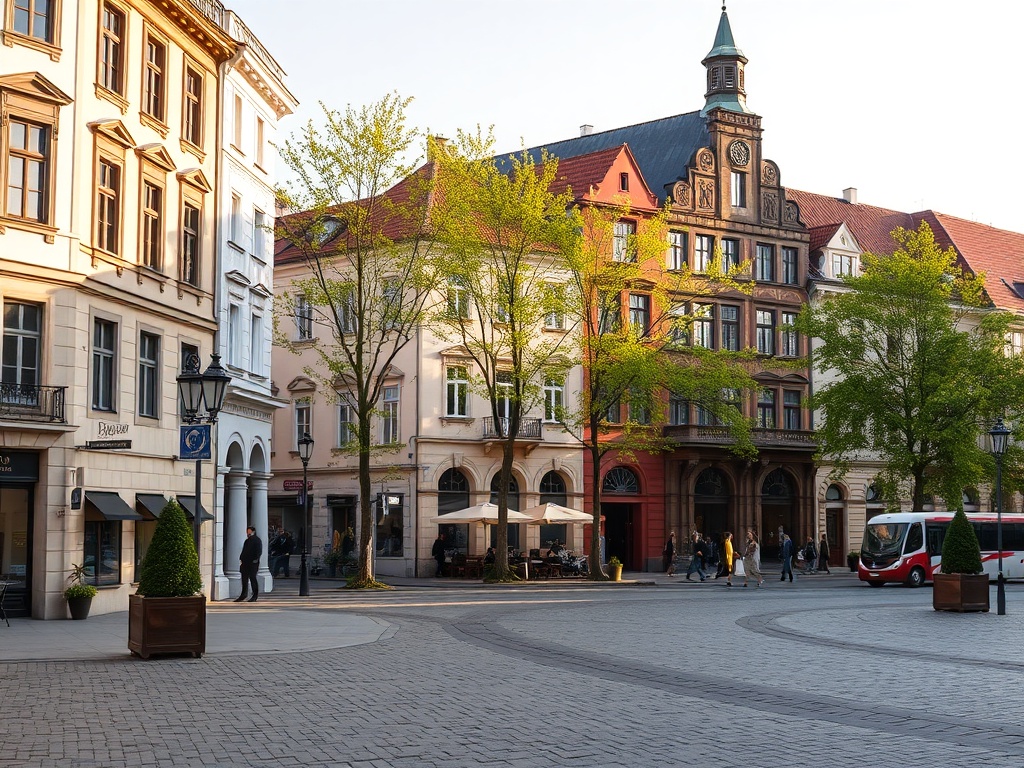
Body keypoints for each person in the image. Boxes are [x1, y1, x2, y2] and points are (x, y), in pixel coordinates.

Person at [235, 525, 262, 602]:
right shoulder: (247, 541)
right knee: (244, 579)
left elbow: (259, 551)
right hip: (245, 563)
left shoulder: (257, 540)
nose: (248, 533)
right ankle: (243, 594)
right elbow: (244, 550)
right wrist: (241, 558)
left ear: (253, 531)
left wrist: (255, 559)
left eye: (249, 531)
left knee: (252, 578)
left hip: (252, 563)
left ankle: (255, 595)